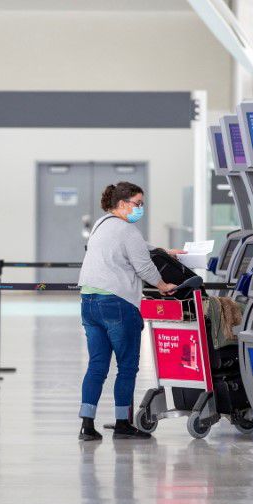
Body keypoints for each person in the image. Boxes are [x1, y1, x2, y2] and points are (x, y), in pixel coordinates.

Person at [77, 181, 182, 441]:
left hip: (89, 302)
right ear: (123, 204)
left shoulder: (102, 224)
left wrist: (163, 251)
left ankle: (87, 426)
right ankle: (123, 423)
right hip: (117, 304)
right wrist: (163, 285)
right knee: (126, 367)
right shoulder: (127, 230)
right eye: (137, 204)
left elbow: (138, 247)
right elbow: (144, 267)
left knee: (97, 366)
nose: (140, 209)